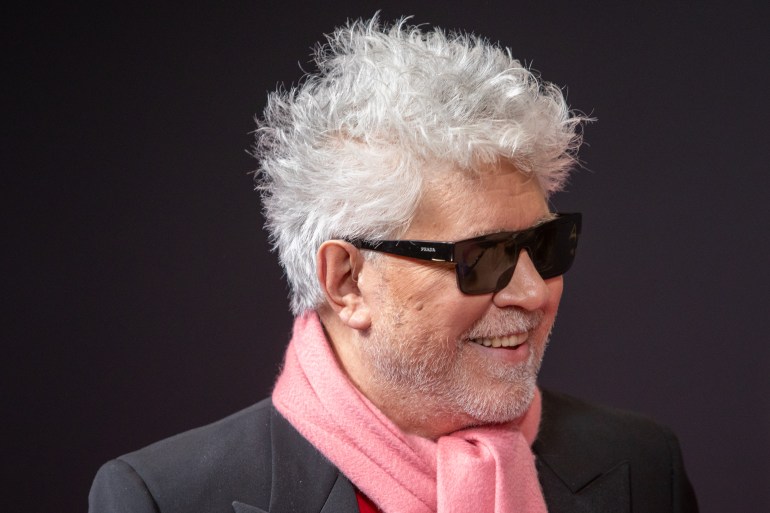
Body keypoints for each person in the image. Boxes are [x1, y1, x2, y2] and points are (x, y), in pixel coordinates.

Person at [89, 16, 698, 513]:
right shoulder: (165, 499)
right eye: (482, 257)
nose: (534, 294)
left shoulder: (642, 463)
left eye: (546, 245)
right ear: (347, 282)